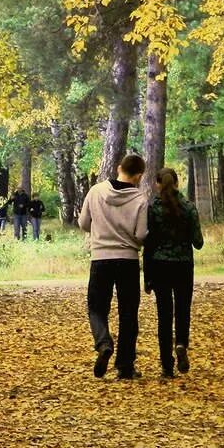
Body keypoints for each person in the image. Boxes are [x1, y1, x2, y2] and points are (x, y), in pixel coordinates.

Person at [79, 153, 147, 379]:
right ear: (138, 176)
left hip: (100, 258)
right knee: (128, 312)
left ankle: (103, 342)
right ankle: (125, 366)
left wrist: (101, 231)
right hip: (127, 260)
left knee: (97, 307)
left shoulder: (96, 191)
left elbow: (83, 223)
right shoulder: (140, 200)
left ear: (119, 168)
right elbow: (140, 235)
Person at [143, 167, 204, 379]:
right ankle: (181, 344)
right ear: (177, 183)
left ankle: (167, 366)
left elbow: (148, 245)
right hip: (183, 266)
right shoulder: (189, 208)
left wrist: (147, 278)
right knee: (183, 309)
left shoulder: (153, 209)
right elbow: (198, 243)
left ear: (157, 185)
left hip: (160, 266)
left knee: (164, 315)